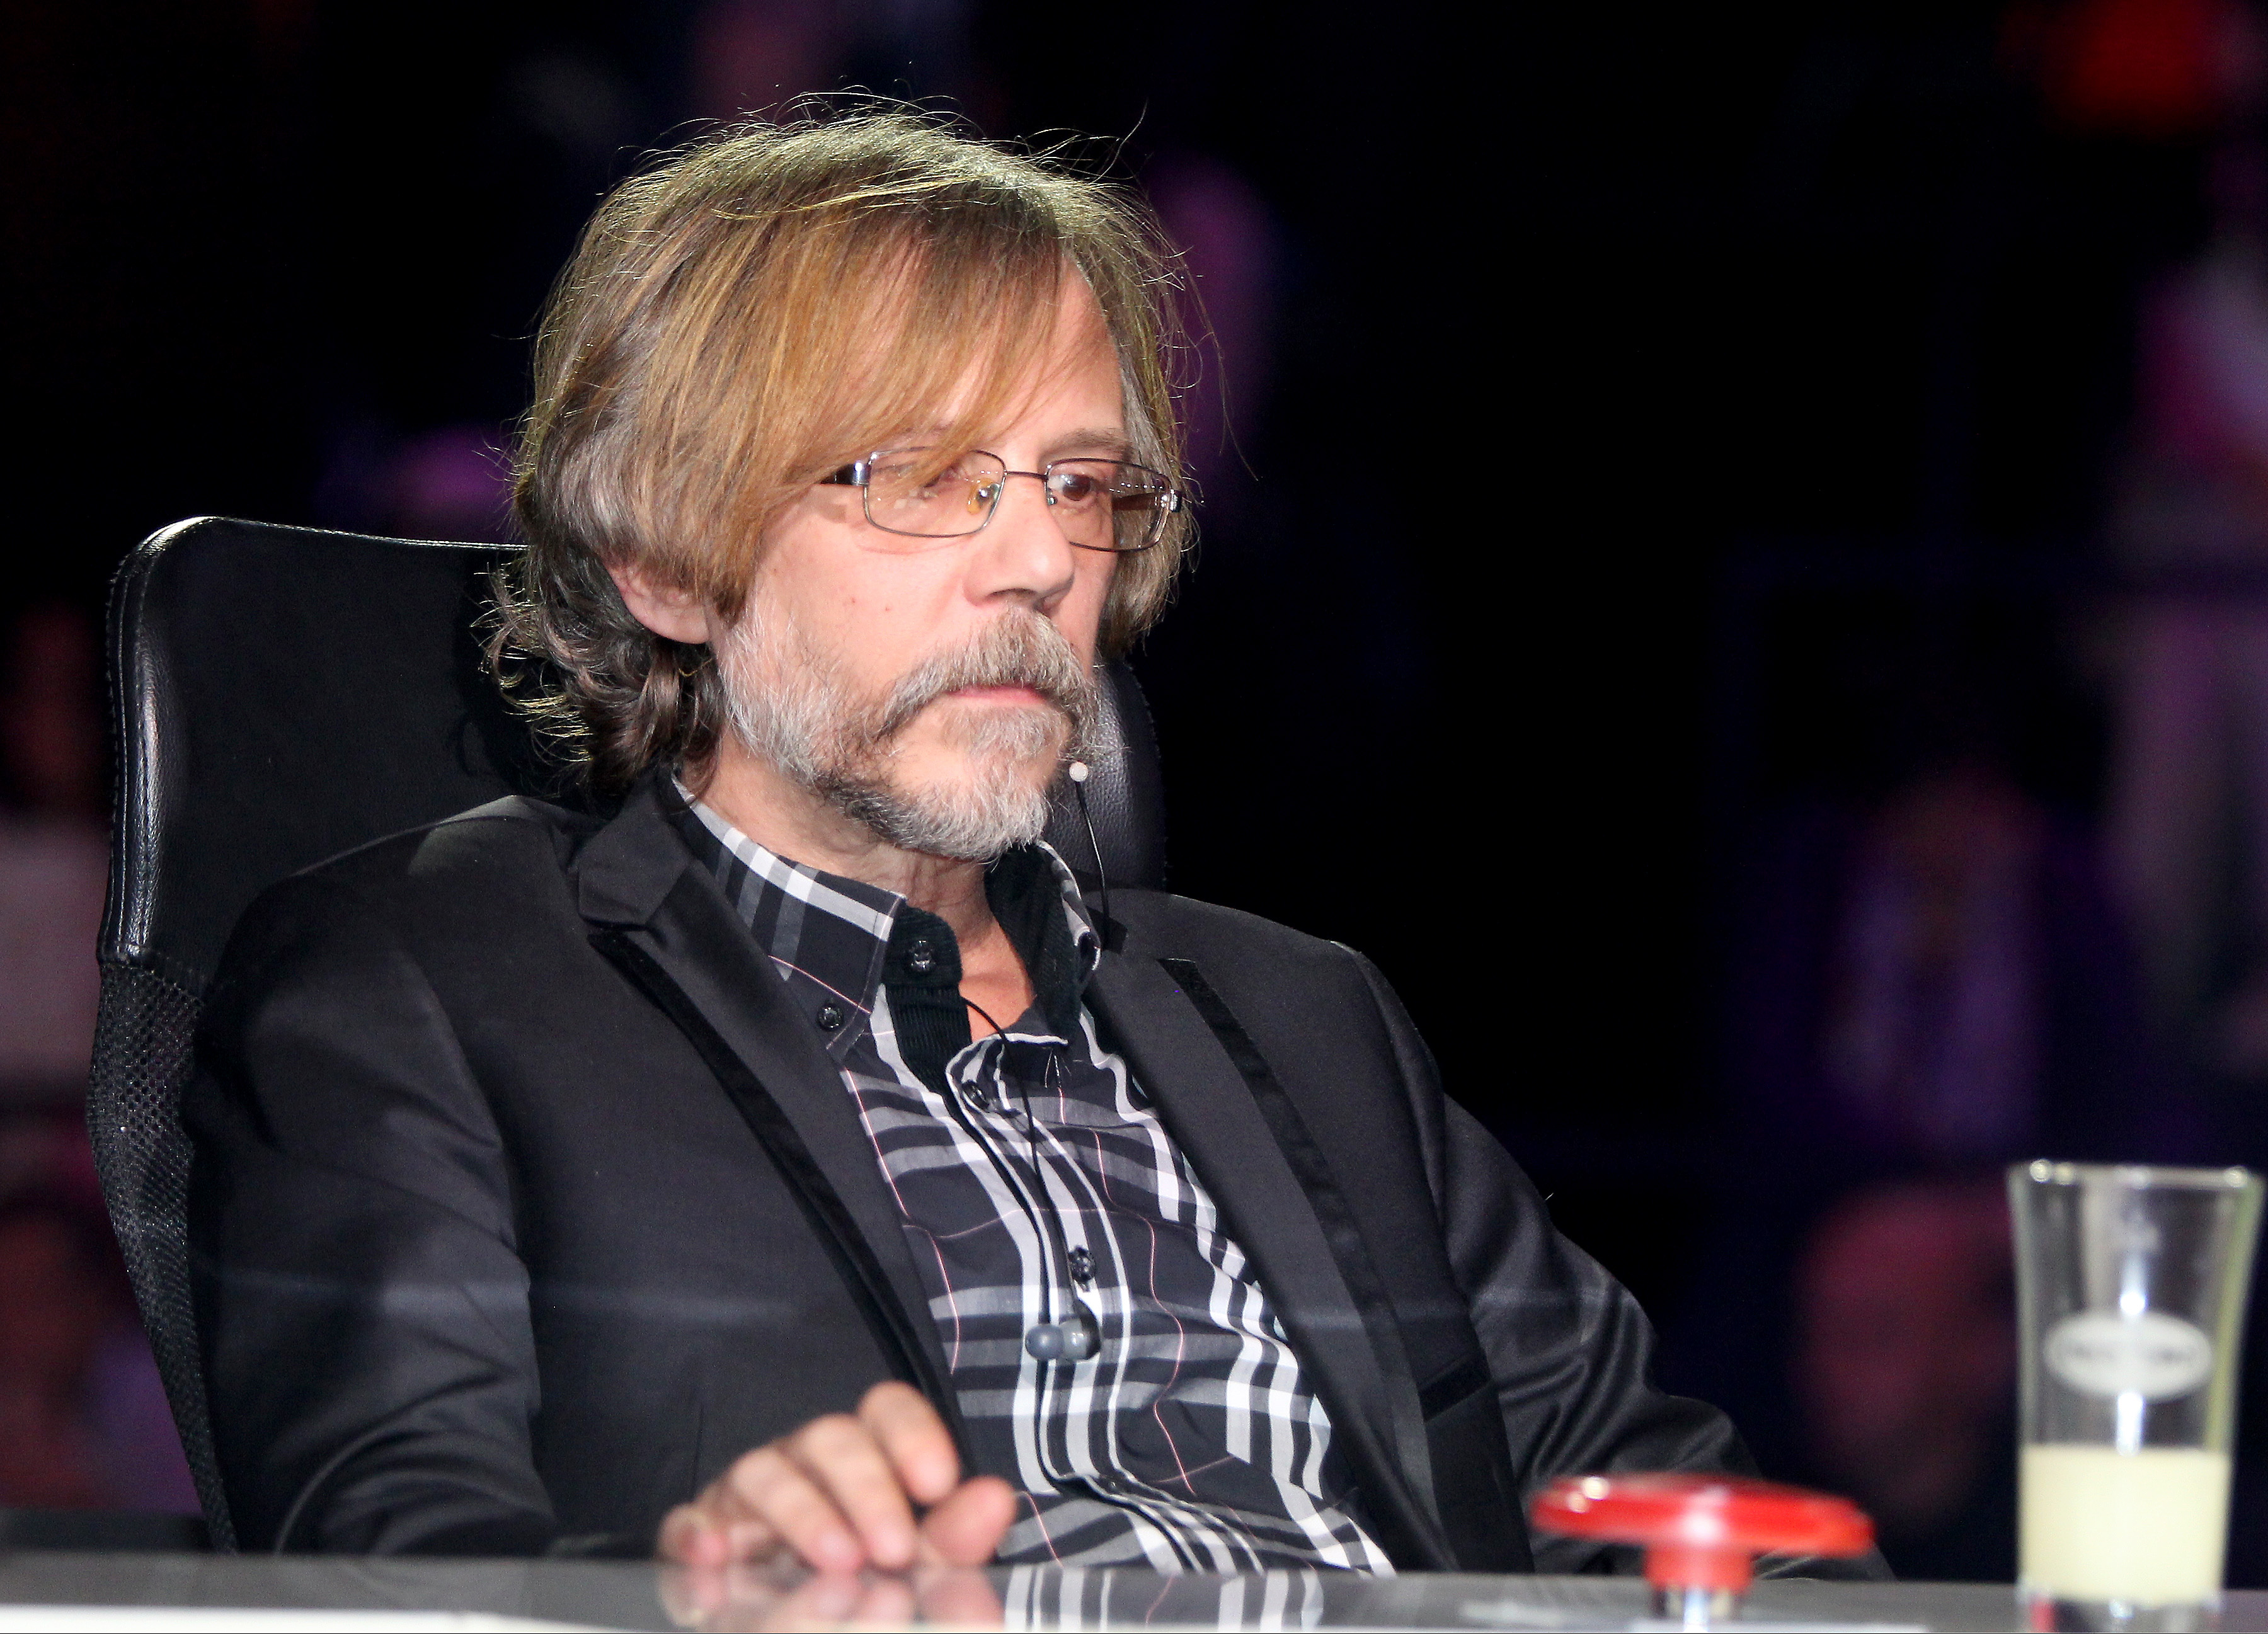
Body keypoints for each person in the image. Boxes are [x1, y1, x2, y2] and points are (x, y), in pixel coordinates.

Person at [186, 113, 1876, 1578]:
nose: (1039, 562)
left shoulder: (1310, 1018)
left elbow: (1697, 1522)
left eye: (1080, 485)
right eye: (924, 477)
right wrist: (706, 1598)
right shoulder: (422, 984)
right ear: (669, 561)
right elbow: (389, 1563)